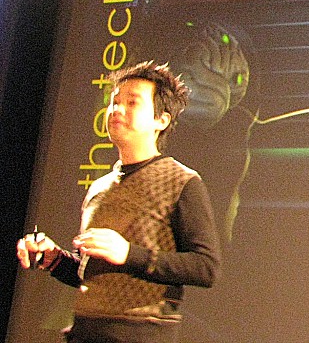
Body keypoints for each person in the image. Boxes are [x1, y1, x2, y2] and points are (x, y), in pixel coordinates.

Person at [16, 61, 221, 343]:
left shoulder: (182, 181)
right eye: (114, 101)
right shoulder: (100, 187)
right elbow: (93, 274)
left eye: (132, 102)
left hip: (140, 334)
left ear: (161, 120)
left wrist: (128, 253)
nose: (116, 109)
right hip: (84, 331)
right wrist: (53, 259)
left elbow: (205, 267)